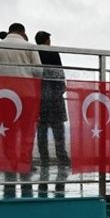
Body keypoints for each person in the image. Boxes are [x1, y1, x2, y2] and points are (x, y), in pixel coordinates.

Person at [0, 23, 42, 198]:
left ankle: (10, 163)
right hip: (26, 93)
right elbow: (38, 70)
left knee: (7, 131)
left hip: (3, 94)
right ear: (23, 32)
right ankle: (24, 162)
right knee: (27, 131)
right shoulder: (29, 47)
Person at [34, 30, 69, 194]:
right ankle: (62, 158)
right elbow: (60, 73)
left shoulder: (34, 52)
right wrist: (60, 90)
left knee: (41, 131)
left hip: (40, 98)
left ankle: (44, 160)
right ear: (48, 40)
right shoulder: (53, 52)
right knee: (58, 131)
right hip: (55, 98)